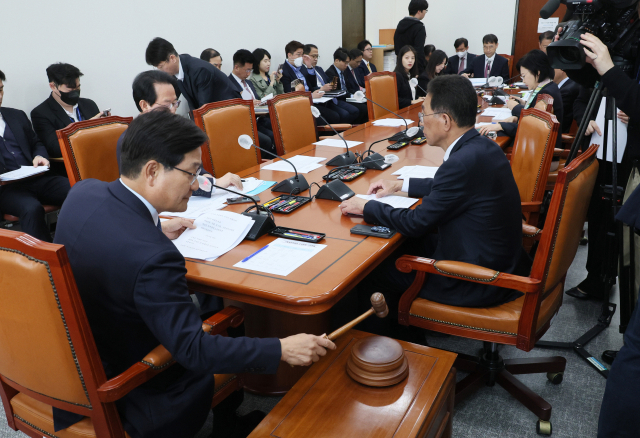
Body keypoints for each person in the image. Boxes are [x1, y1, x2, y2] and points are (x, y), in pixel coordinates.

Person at [53, 109, 336, 438]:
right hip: (130, 392)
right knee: (223, 323)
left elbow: (113, 233)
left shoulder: (83, 192)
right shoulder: (154, 258)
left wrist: (155, 226)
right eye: (191, 173)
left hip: (69, 365)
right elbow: (193, 350)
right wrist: (282, 348)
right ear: (152, 171)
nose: (197, 184)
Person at [338, 75, 524, 332]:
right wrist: (401, 184)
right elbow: (453, 187)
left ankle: (391, 346)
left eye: (424, 114)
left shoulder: (461, 163)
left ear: (445, 120)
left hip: (477, 279)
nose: (421, 121)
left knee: (370, 272)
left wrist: (366, 207)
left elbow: (416, 223)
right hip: (495, 258)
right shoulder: (482, 146)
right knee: (403, 247)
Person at [563, 32, 640, 302]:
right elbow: (580, 100)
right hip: (597, 151)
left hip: (627, 157)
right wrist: (585, 120)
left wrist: (635, 114)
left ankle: (613, 277)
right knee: (596, 214)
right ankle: (595, 277)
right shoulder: (597, 69)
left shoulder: (628, 71)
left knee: (617, 219)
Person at [115, 70, 243, 192]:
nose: (172, 110)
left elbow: (194, 169)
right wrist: (213, 184)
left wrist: (208, 180)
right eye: (166, 105)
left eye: (175, 103)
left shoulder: (173, 129)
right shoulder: (132, 141)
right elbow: (160, 186)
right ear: (144, 105)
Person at [0, 70, 70, 242]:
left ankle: (76, 244)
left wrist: (40, 156)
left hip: (36, 178)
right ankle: (45, 256)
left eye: (1, 89)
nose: (0, 96)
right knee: (31, 208)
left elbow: (36, 143)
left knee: (79, 190)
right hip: (7, 189)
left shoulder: (16, 115)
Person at [479, 50, 563, 148]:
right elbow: (533, 120)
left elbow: (532, 129)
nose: (523, 81)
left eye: (524, 76)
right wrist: (516, 118)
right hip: (537, 145)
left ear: (538, 72)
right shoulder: (549, 87)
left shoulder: (546, 94)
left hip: (539, 150)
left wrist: (501, 126)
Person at [31, 63, 106, 159]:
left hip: (98, 158)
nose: (75, 92)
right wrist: (87, 127)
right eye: (70, 88)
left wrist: (106, 125)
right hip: (69, 164)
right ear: (53, 86)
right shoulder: (41, 113)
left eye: (78, 87)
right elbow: (55, 149)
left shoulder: (89, 104)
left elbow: (102, 139)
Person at [146, 37, 239, 111]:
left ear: (172, 58)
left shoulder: (200, 70)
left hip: (231, 110)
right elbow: (170, 98)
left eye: (161, 67)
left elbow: (203, 108)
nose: (161, 71)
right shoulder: (176, 72)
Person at [280, 41, 349, 125]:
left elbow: (312, 85)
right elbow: (290, 94)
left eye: (302, 54)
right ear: (289, 55)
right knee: (333, 117)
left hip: (313, 101)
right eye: (298, 54)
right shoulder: (284, 71)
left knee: (337, 115)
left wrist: (309, 66)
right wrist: (311, 96)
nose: (301, 57)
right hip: (301, 105)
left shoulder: (302, 67)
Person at [228, 49, 276, 153]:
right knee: (268, 139)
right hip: (244, 124)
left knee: (280, 129)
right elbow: (231, 110)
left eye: (251, 70)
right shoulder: (229, 85)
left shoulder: (248, 83)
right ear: (236, 67)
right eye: (247, 70)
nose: (249, 73)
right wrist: (248, 104)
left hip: (259, 119)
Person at [394, 0, 429, 73]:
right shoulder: (419, 27)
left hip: (400, 66)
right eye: (425, 10)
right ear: (419, 11)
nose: (425, 13)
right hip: (413, 67)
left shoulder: (400, 24)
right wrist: (420, 70)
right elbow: (419, 51)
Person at [553, 68, 579, 133]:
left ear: (562, 69)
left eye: (552, 68)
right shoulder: (567, 85)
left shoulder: (568, 90)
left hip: (558, 132)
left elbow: (555, 115)